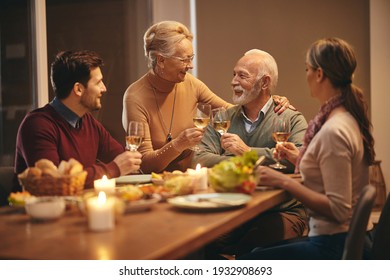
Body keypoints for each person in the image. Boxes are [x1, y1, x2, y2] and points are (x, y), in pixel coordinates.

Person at [239, 38, 376, 260]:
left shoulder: (334, 130)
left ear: (319, 73)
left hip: (335, 245)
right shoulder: (344, 116)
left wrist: (281, 181)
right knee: (254, 253)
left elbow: (338, 209)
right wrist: (297, 156)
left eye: (307, 69)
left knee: (250, 260)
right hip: (347, 237)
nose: (307, 76)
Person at [122, 20, 291, 174]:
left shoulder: (190, 83)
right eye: (184, 59)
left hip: (194, 180)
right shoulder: (135, 97)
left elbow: (232, 113)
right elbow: (144, 164)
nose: (190, 65)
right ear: (161, 60)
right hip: (156, 186)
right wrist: (177, 144)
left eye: (191, 58)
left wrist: (268, 99)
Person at [193, 49, 308, 258]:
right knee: (200, 245)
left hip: (281, 210)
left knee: (253, 252)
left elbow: (300, 159)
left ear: (265, 83)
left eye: (242, 75)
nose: (233, 81)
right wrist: (240, 159)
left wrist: (246, 152)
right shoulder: (223, 117)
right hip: (234, 210)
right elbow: (199, 158)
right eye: (233, 74)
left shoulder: (292, 118)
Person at [14, 50, 142, 191]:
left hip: (78, 207)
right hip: (39, 211)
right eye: (98, 82)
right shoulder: (38, 125)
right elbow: (54, 184)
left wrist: (128, 163)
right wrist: (114, 168)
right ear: (78, 89)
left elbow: (123, 158)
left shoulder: (88, 122)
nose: (104, 88)